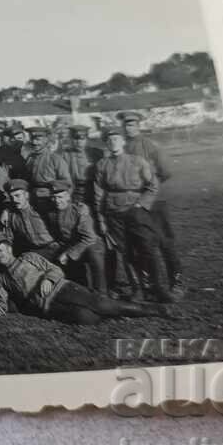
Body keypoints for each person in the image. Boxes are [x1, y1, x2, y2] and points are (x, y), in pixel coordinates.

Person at [0, 232, 168, 323]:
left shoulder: (28, 257)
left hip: (63, 289)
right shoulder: (2, 278)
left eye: (0, 250)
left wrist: (48, 280)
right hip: (48, 307)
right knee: (84, 317)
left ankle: (154, 310)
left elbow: (55, 270)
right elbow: (0, 298)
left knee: (101, 305)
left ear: (8, 249)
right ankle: (119, 314)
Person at [94, 126, 170, 302]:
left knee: (147, 248)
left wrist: (140, 204)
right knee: (126, 252)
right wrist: (101, 219)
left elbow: (153, 185)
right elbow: (99, 194)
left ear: (123, 141)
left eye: (116, 139)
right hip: (114, 213)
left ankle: (156, 287)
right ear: (106, 143)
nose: (113, 142)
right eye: (109, 140)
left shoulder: (137, 161)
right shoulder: (102, 165)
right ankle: (137, 289)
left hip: (136, 211)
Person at [119, 111, 184, 299]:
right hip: (134, 203)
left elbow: (166, 171)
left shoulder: (150, 145)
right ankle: (148, 285)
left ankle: (176, 282)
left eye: (132, 124)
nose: (128, 128)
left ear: (139, 125)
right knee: (142, 244)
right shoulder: (123, 146)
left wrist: (150, 188)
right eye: (125, 125)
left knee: (165, 241)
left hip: (155, 201)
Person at [41, 180, 106, 293]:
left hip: (90, 243)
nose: (57, 201)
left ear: (68, 196)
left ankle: (101, 292)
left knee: (94, 253)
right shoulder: (51, 212)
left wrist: (69, 254)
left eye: (60, 197)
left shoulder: (79, 210)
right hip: (70, 245)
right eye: (54, 197)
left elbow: (89, 238)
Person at [0, 178, 55, 254]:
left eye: (17, 195)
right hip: (34, 251)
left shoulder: (40, 209)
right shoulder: (11, 216)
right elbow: (9, 237)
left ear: (26, 195)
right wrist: (6, 210)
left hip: (54, 247)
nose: (14, 200)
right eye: (11, 197)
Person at [25, 127, 70, 201]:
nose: (34, 142)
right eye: (32, 139)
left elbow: (66, 182)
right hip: (33, 197)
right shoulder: (30, 158)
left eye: (38, 140)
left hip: (51, 197)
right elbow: (27, 179)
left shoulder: (55, 159)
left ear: (46, 140)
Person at [62, 124, 103, 207]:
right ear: (71, 139)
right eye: (75, 139)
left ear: (87, 139)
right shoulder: (66, 154)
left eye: (82, 139)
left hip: (93, 190)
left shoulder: (96, 153)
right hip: (75, 191)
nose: (79, 142)